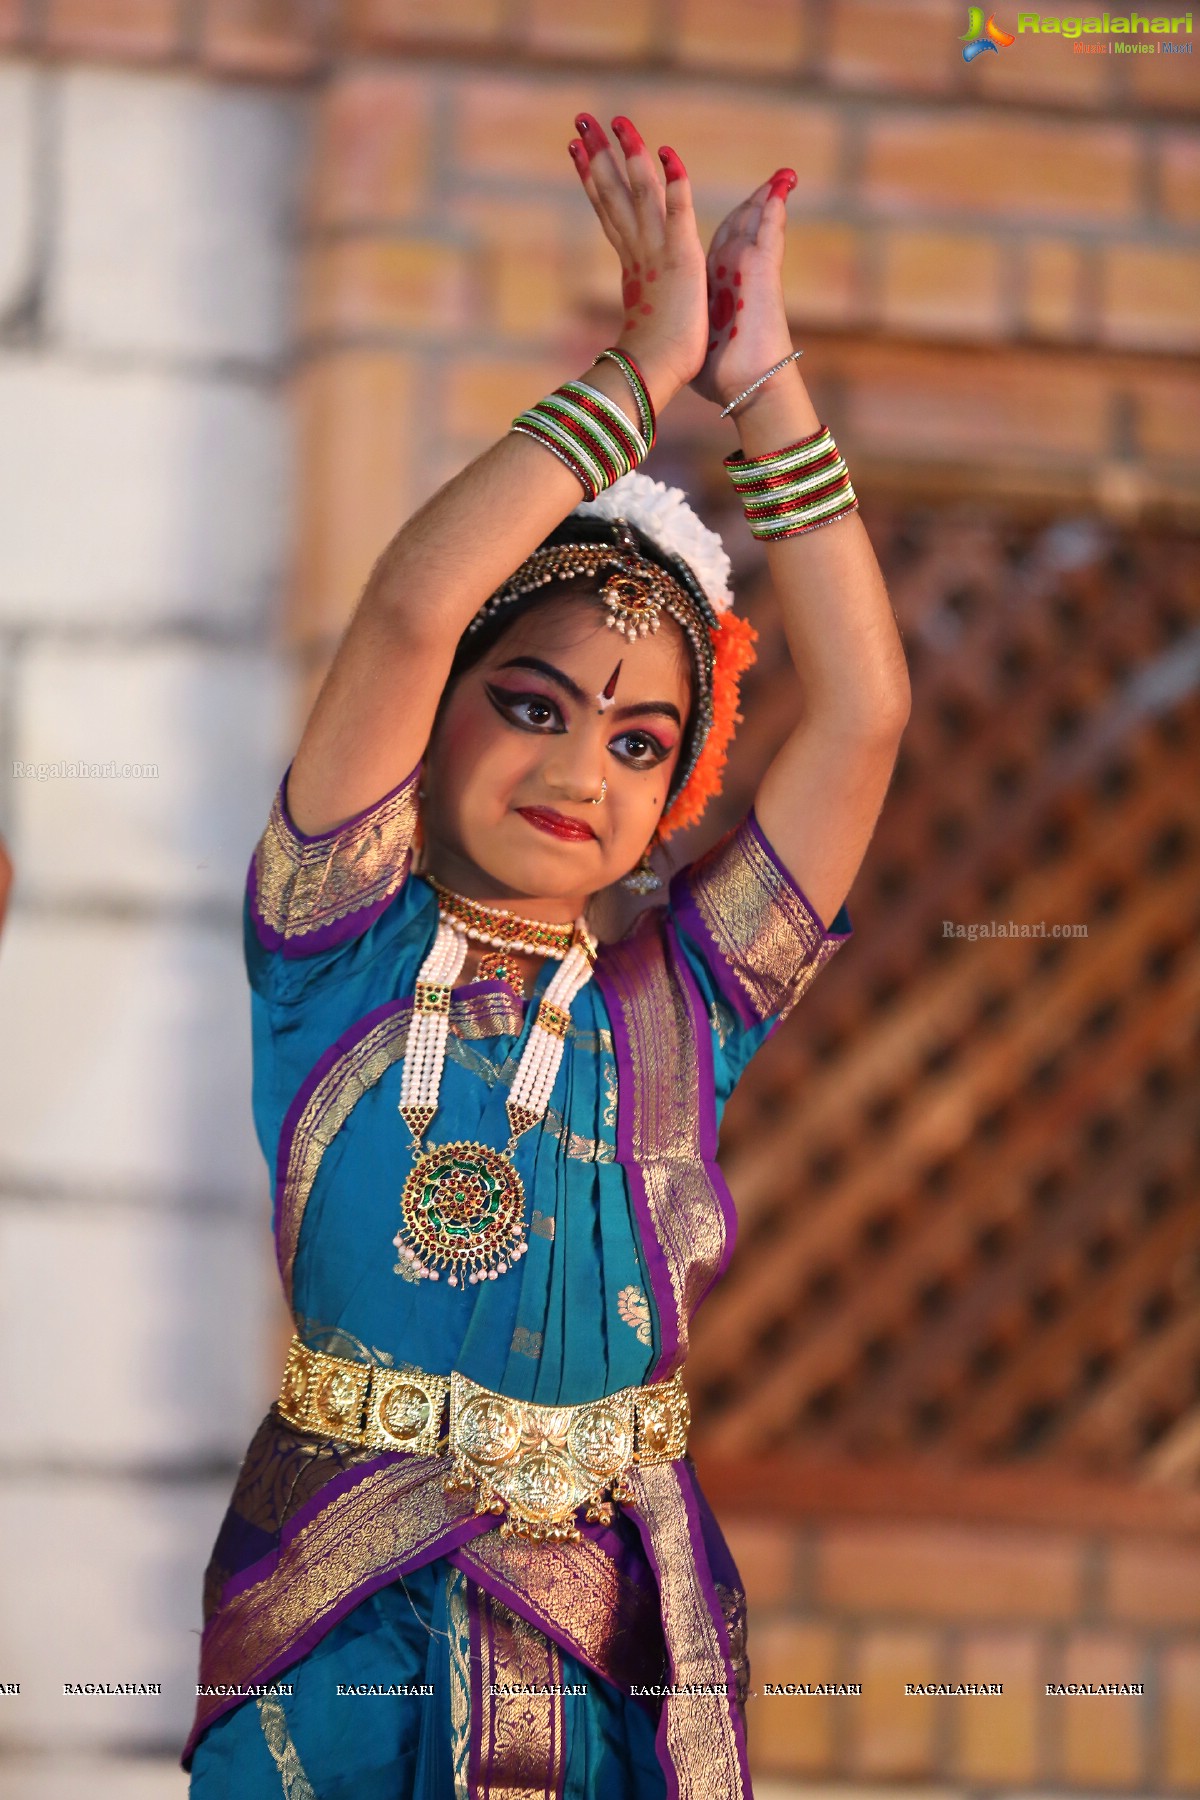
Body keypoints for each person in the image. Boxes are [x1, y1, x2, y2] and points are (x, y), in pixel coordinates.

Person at [183, 111, 910, 1799]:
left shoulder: (689, 992)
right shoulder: (333, 942)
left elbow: (865, 713)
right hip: (343, 1630)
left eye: (642, 742)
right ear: (436, 726)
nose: (582, 770)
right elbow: (410, 605)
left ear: (679, 791)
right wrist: (637, 372)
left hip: (613, 1641)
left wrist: (767, 380)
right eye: (532, 706)